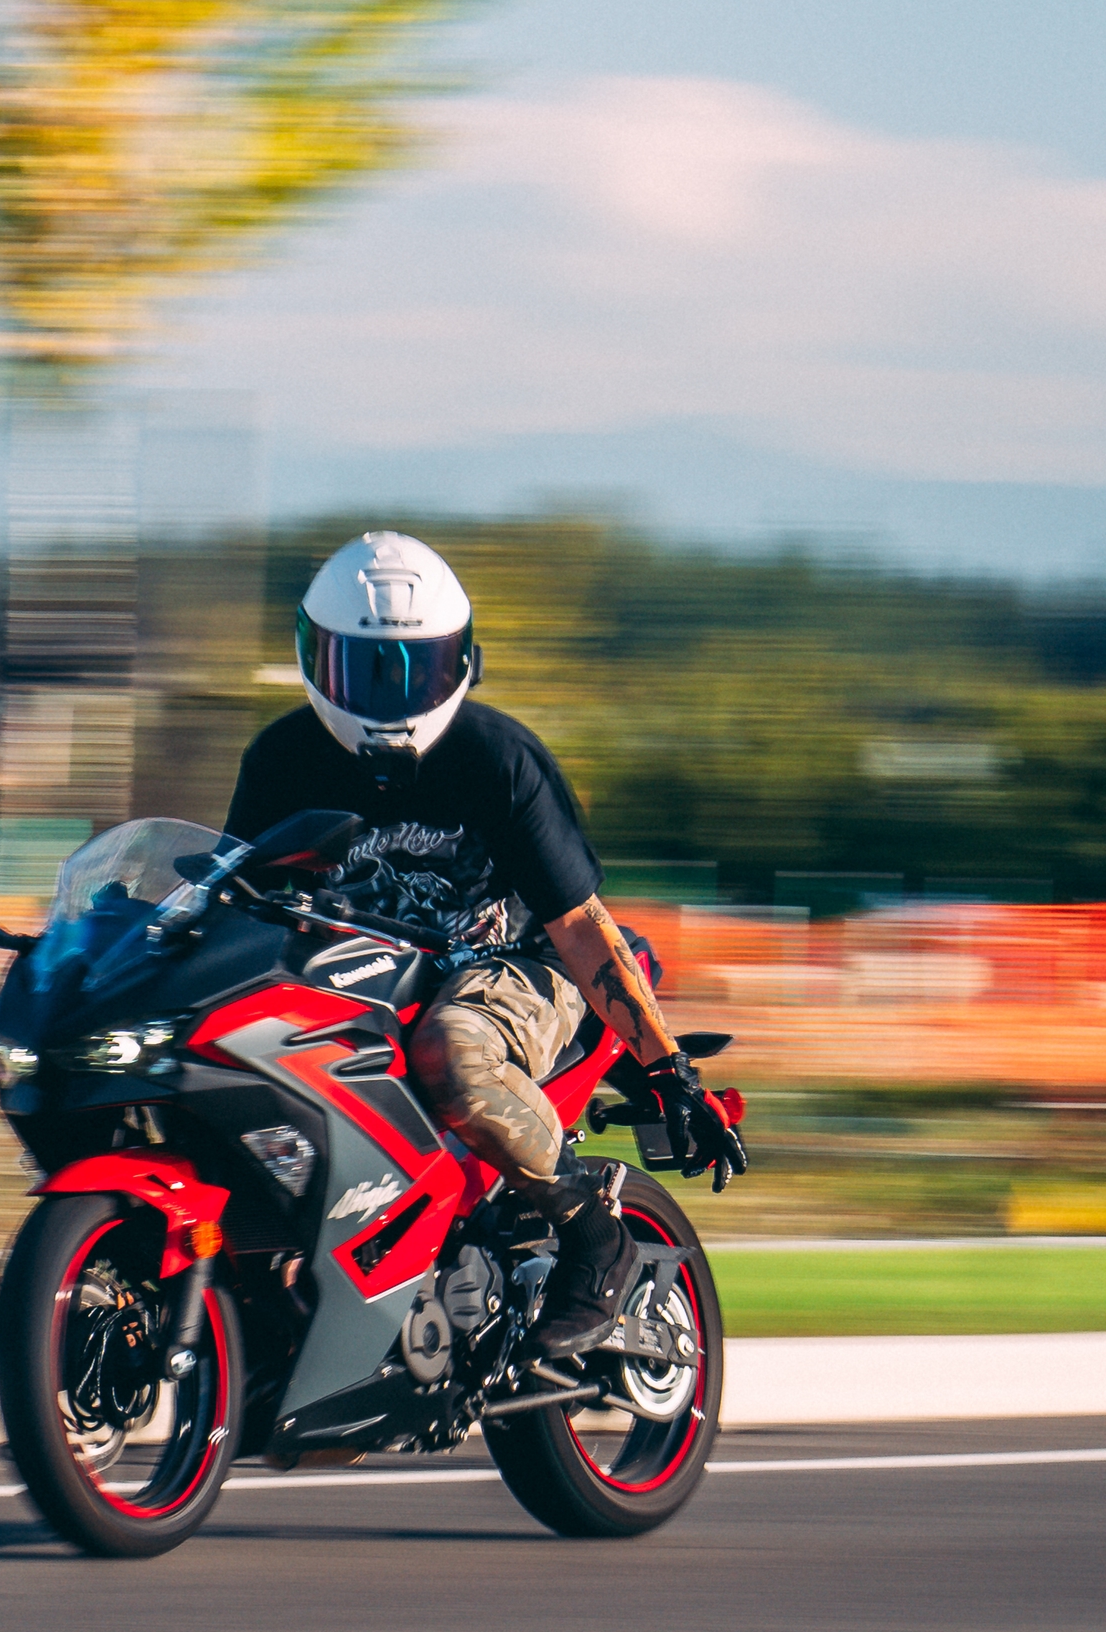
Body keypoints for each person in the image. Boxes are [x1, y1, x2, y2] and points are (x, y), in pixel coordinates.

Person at [226, 529, 745, 1354]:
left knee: (454, 1047)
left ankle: (590, 1231)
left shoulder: (497, 759)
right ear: (315, 659)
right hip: (361, 981)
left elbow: (578, 922)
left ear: (461, 662)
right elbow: (241, 905)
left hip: (514, 967)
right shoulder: (281, 759)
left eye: (416, 669)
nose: (391, 696)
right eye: (365, 670)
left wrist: (667, 1066)